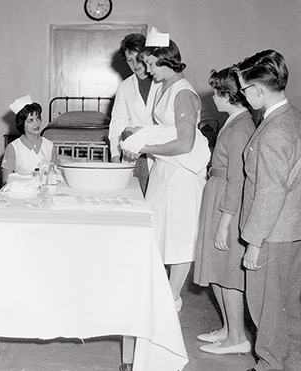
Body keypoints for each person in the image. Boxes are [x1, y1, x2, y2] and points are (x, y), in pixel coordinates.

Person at [122, 28, 209, 311]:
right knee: (159, 229)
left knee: (180, 234)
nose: (146, 70)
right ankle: (162, 292)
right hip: (165, 170)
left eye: (149, 64)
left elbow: (184, 143)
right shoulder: (167, 88)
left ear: (163, 60)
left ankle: (173, 297)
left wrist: (145, 147)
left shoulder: (184, 93)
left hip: (181, 173)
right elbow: (165, 128)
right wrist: (141, 131)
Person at [236, 50, 301, 371]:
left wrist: (254, 241)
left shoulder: (274, 131)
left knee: (267, 306)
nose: (243, 97)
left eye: (244, 90)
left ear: (259, 89)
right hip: (292, 229)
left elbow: (270, 190)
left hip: (273, 232)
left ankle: (270, 365)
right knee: (290, 305)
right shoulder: (293, 117)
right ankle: (292, 362)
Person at [193, 68, 255, 354]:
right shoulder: (233, 121)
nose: (213, 98)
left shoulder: (242, 128)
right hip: (217, 192)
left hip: (227, 202)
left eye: (217, 92)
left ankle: (237, 338)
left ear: (230, 96)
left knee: (228, 272)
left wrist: (224, 223)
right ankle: (228, 329)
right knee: (217, 268)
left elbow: (238, 179)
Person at [108, 33, 161, 195]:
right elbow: (117, 124)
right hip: (133, 155)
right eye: (130, 60)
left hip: (159, 152)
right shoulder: (125, 87)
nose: (135, 64)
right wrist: (116, 161)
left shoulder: (161, 81)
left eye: (139, 58)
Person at [2, 95, 58, 184]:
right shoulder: (13, 148)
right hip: (22, 194)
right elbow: (6, 181)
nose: (36, 124)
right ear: (22, 124)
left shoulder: (49, 146)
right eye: (30, 121)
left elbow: (55, 175)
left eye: (38, 118)